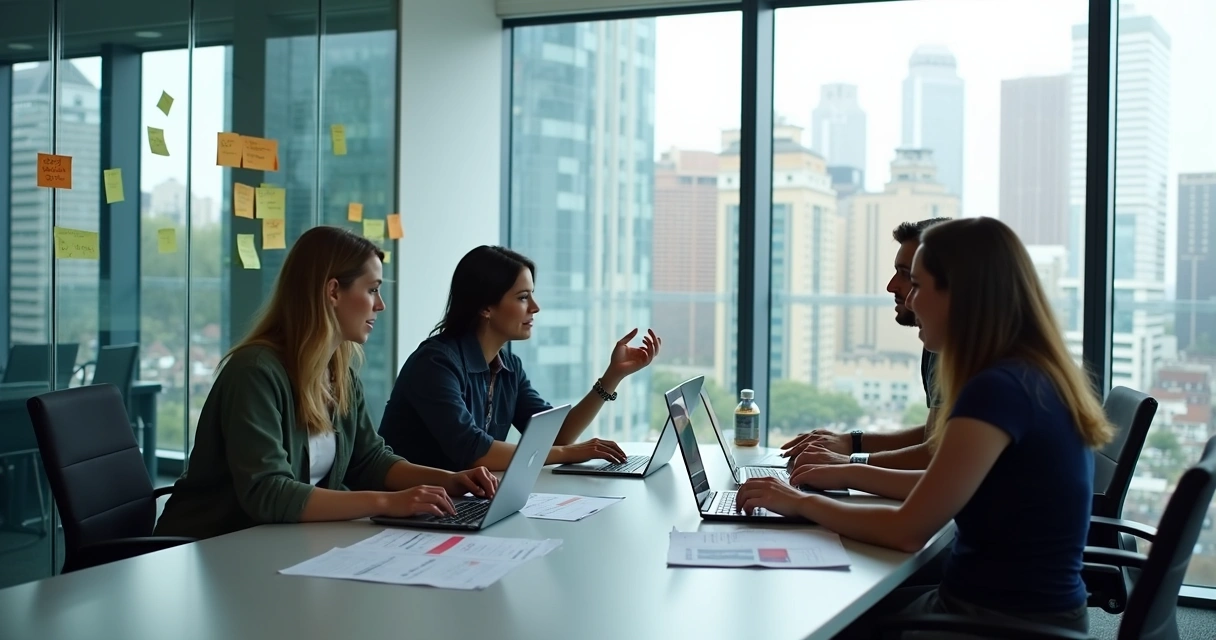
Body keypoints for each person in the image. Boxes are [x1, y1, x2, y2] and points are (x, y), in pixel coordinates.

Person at [736, 217, 1110, 635]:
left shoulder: (998, 390)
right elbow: (940, 484)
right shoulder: (1028, 374)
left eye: (917, 285)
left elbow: (906, 531)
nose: (909, 301)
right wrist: (847, 472)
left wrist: (800, 502)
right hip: (1009, 611)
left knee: (813, 620)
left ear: (960, 296)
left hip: (1001, 624)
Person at [155, 226, 497, 540]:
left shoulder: (339, 371)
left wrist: (450, 481)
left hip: (279, 543)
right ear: (333, 291)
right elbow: (268, 492)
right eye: (373, 290)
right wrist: (387, 503)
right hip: (210, 548)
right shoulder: (255, 371)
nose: (380, 304)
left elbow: (369, 460)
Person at [378, 245, 661, 472]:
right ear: (486, 307)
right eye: (523, 297)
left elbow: (556, 435)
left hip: (457, 503)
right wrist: (568, 454)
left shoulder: (509, 367)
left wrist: (613, 376)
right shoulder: (436, 364)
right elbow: (474, 452)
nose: (535, 308)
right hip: (406, 512)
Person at [781, 218, 949, 470]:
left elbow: (935, 457)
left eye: (910, 277)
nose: (891, 286)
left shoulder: (989, 371)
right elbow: (935, 435)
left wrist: (848, 464)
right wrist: (851, 443)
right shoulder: (937, 345)